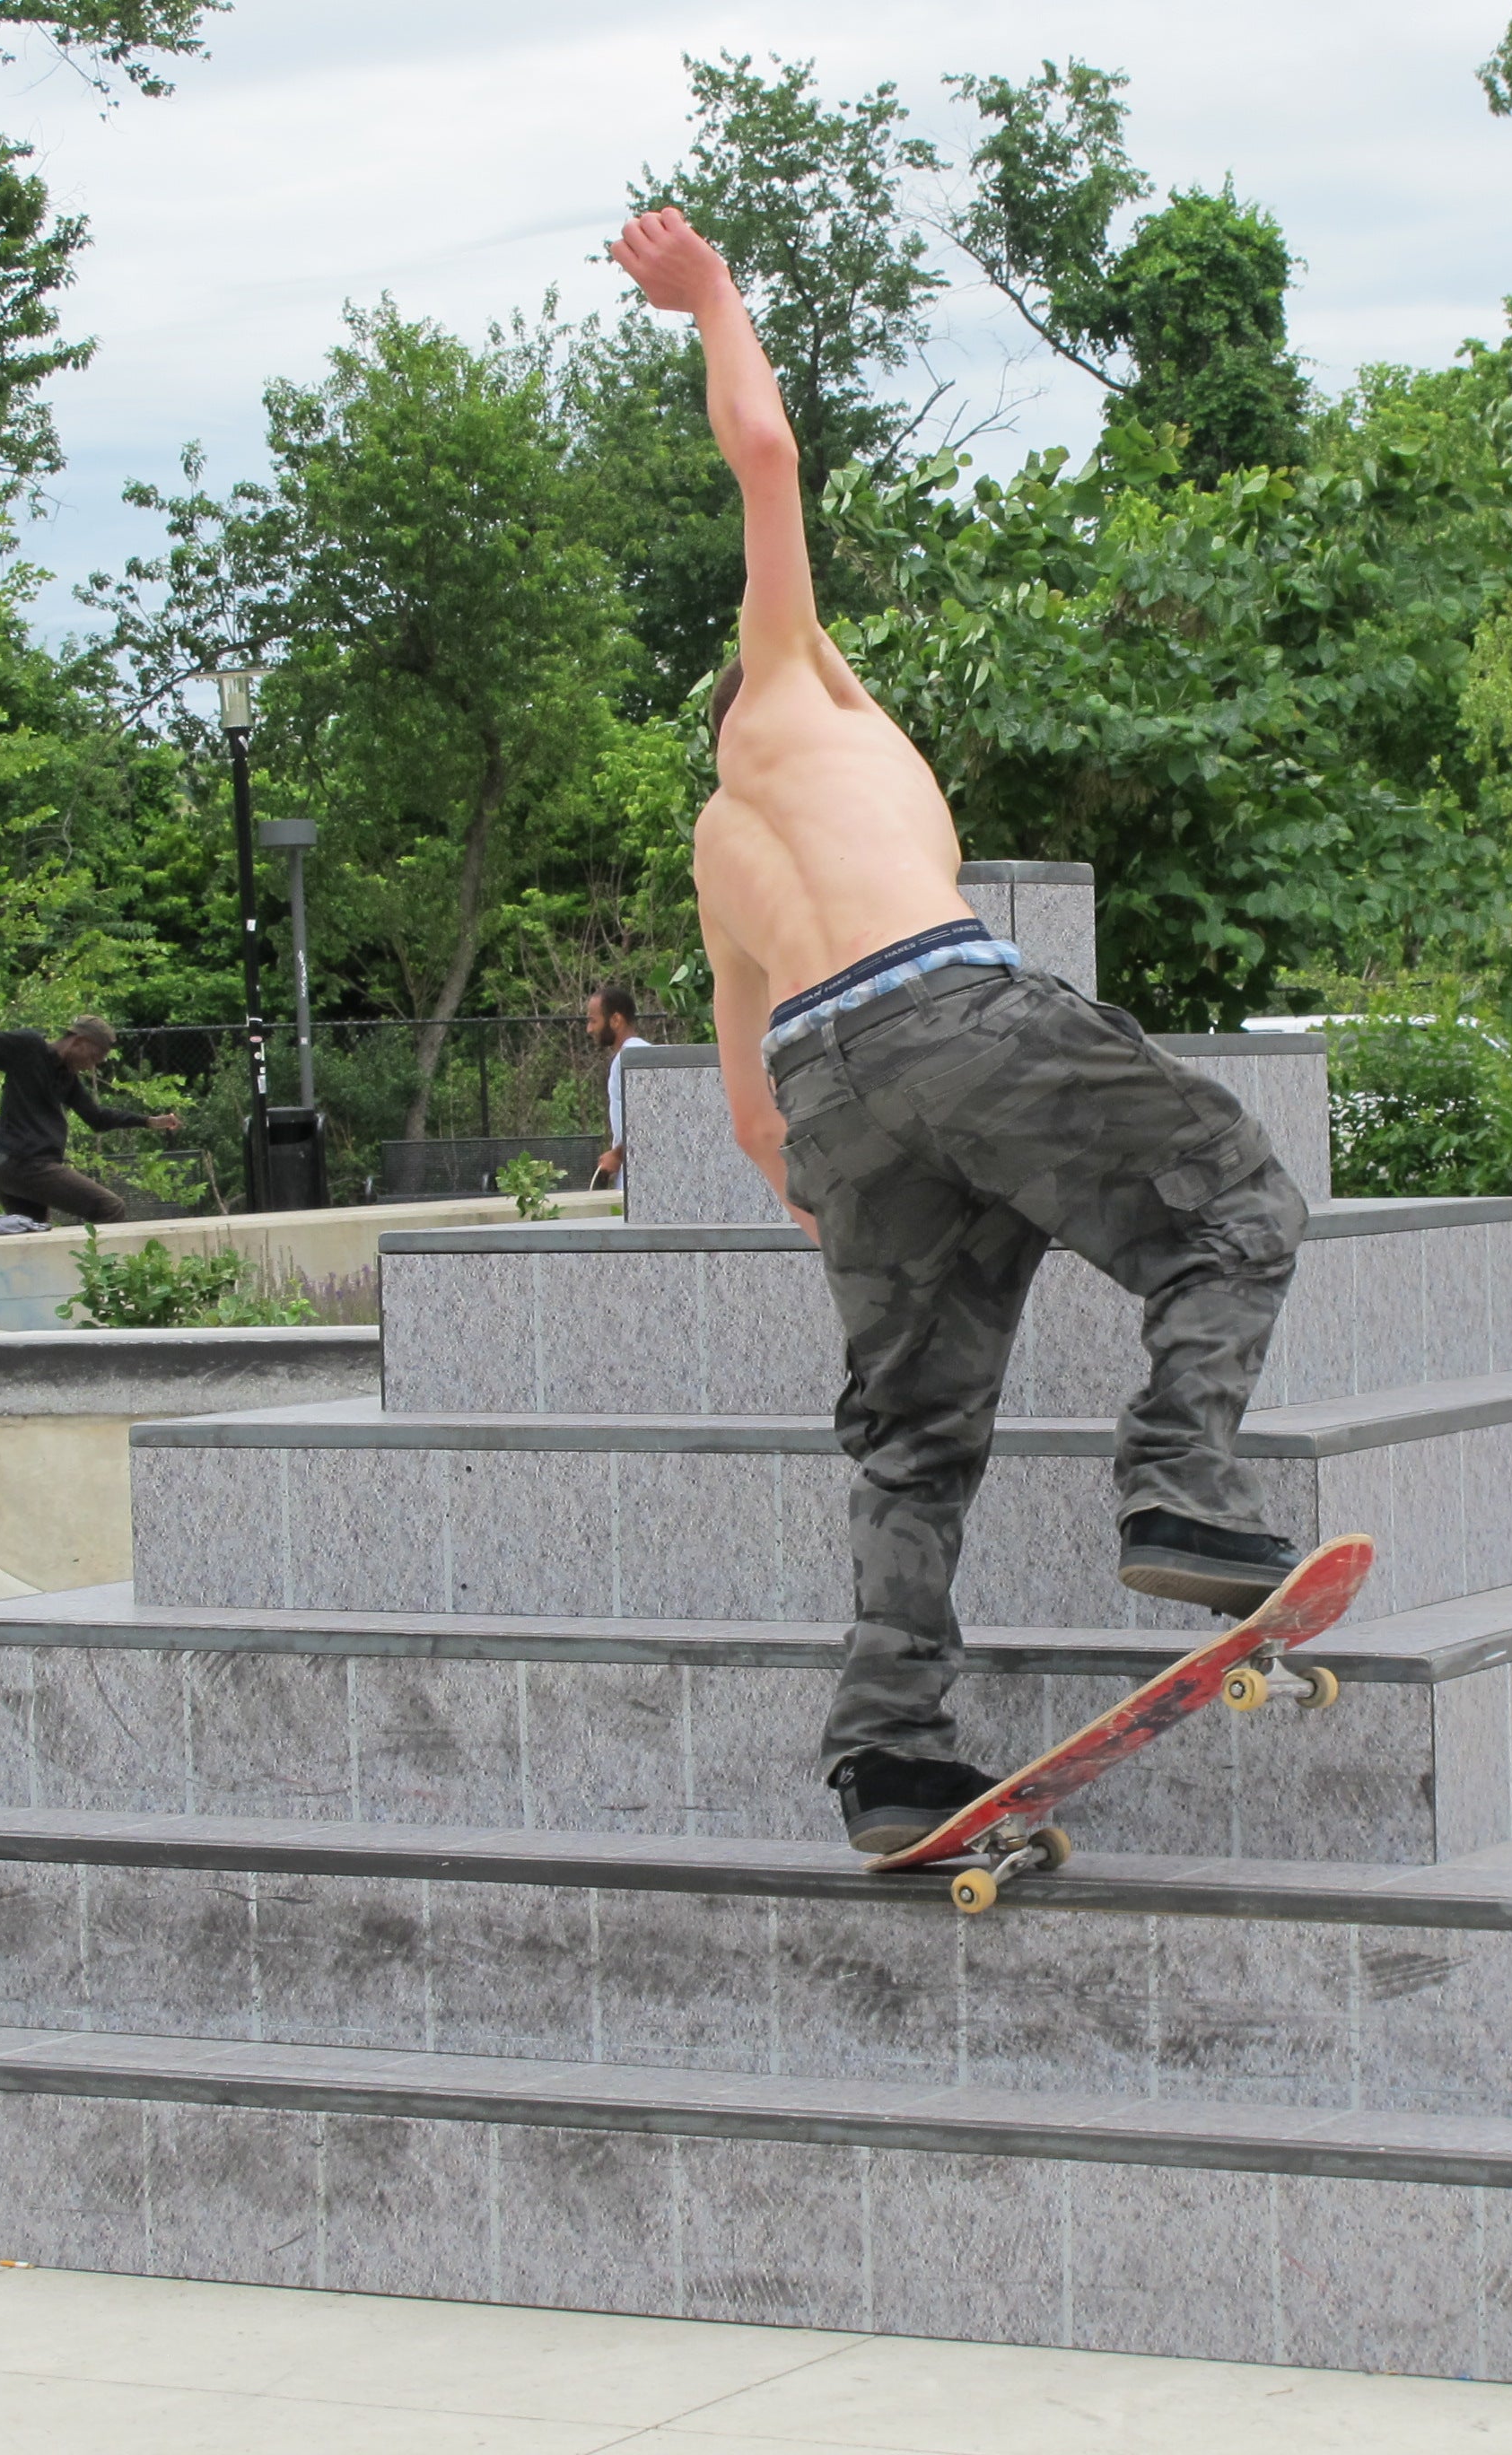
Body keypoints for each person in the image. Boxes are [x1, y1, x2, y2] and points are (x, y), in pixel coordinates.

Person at [607, 205, 1311, 1851]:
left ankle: (894, 1744)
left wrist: (863, 1220)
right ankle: (1182, 1489)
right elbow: (765, 460)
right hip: (945, 1008)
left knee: (913, 1434)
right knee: (1235, 1201)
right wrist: (711, 295)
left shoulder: (722, 853)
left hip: (830, 1094)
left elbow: (754, 1129)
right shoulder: (785, 683)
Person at [0, 1009, 181, 1226]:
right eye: (94, 1057)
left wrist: (148, 1121)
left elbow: (97, 1118)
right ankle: (99, 1266)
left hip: (10, 1167)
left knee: (33, 1236)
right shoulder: (30, 1047)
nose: (92, 1065)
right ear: (79, 1042)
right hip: (23, 1163)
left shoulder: (66, 1078)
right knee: (110, 1207)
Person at [585, 983, 657, 1189]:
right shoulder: (638, 1055)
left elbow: (649, 1118)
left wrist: (617, 1155)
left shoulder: (630, 1059)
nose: (589, 1029)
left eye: (593, 1021)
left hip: (641, 1180)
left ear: (616, 1020)